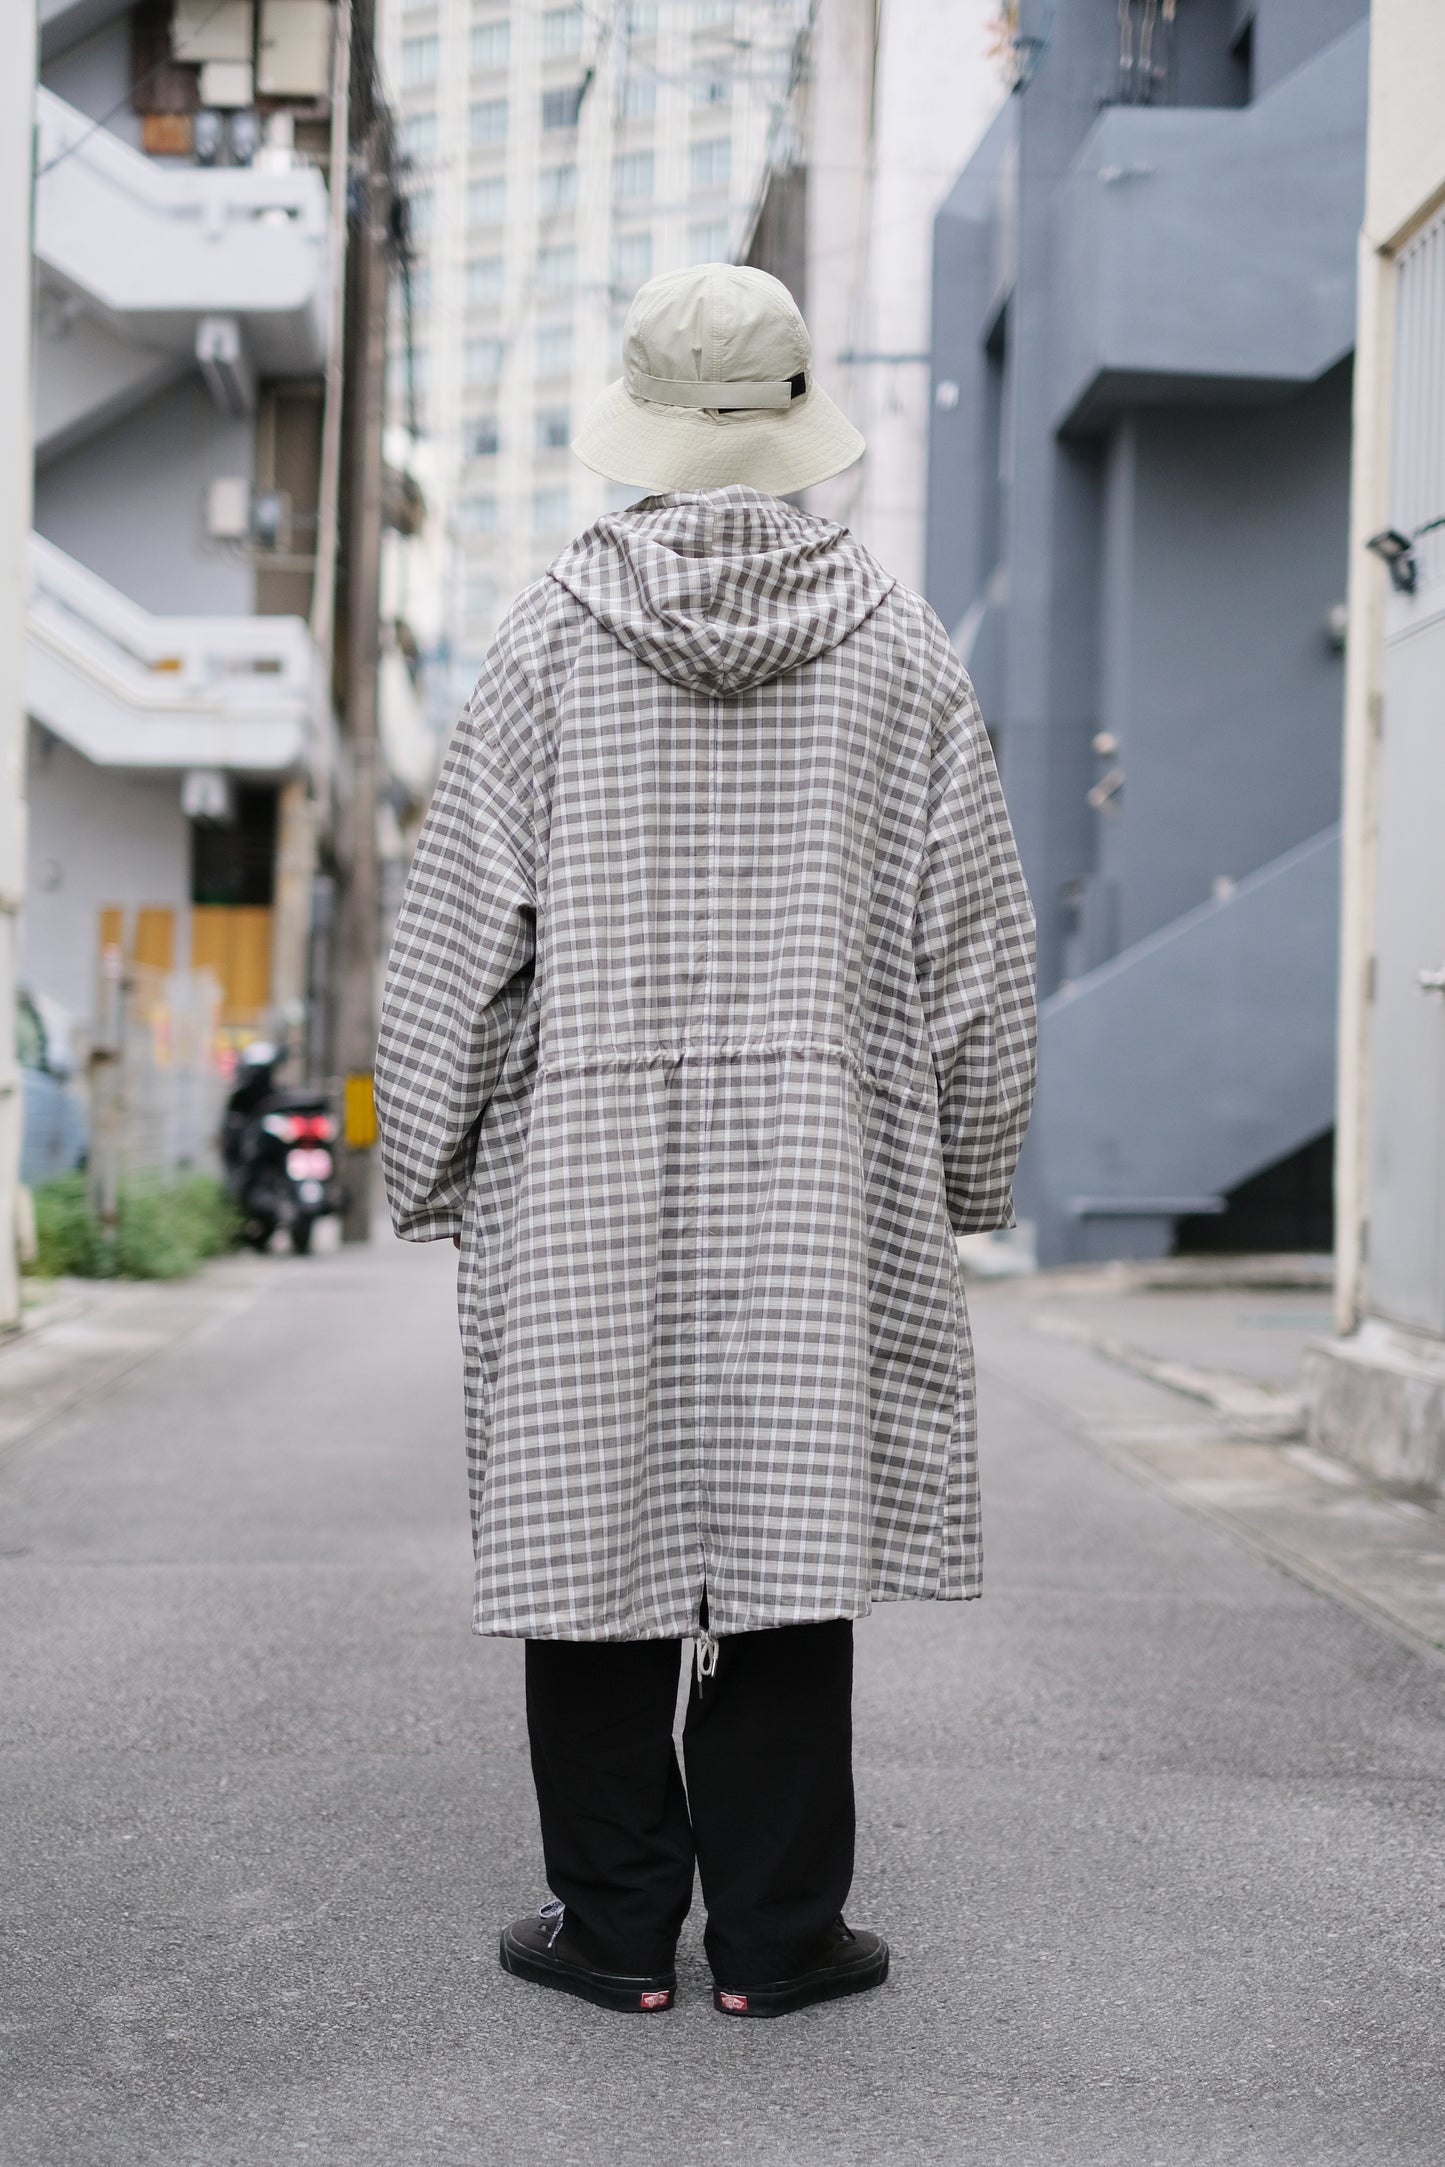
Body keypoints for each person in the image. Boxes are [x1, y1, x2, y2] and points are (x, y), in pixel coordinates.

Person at [374, 264, 1037, 2020]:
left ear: (642, 420)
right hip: (830, 1159)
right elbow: (976, 950)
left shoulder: (543, 644)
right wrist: (969, 1170)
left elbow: (456, 940)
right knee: (793, 1538)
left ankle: (612, 1934)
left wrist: (427, 1158)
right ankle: (774, 1939)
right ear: (797, 417)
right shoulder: (901, 650)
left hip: (583, 1156)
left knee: (588, 1528)